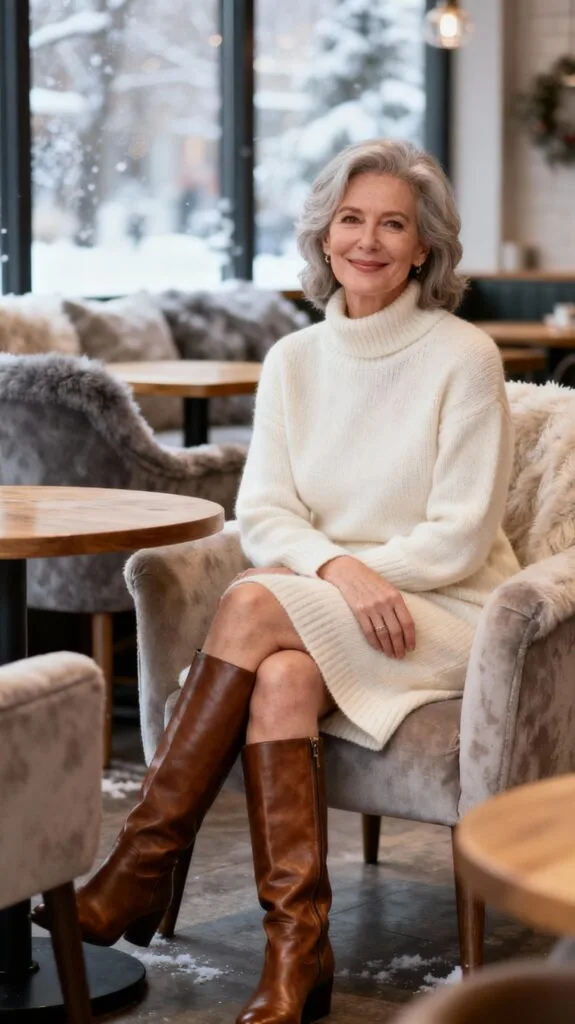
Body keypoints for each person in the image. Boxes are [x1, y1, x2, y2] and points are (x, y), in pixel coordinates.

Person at [33, 139, 520, 1023]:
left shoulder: (463, 356)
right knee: (283, 673)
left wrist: (347, 572)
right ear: (323, 236)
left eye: (392, 224)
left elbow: (457, 540)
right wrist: (339, 571)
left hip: (448, 608)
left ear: (423, 248)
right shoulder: (295, 360)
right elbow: (263, 514)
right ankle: (298, 948)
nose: (367, 240)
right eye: (350, 219)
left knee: (254, 600)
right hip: (339, 603)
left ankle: (143, 860)